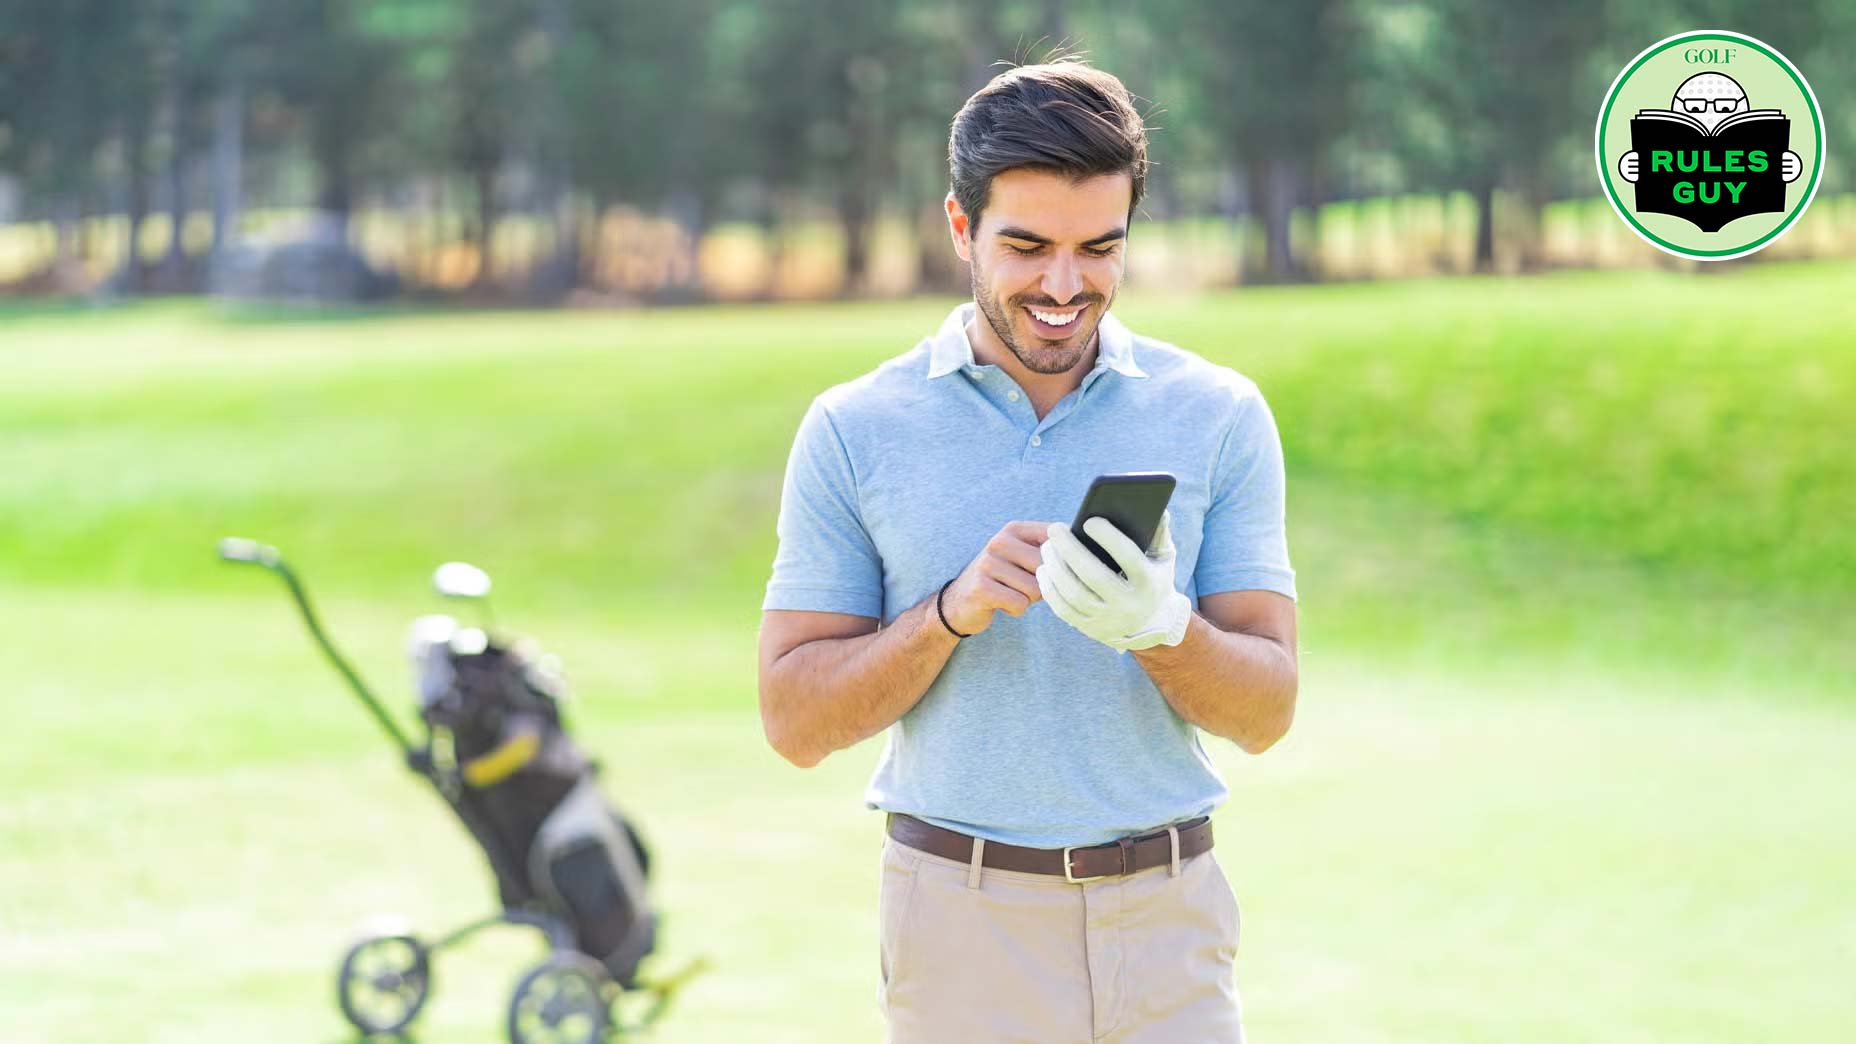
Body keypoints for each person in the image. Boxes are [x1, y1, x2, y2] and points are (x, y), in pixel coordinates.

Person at [757, 58, 1298, 1043]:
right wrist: (947, 615)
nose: (1064, 284)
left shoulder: (1216, 414)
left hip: (1168, 919)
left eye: (1099, 247)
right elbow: (793, 722)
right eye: (1026, 246)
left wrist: (1159, 626)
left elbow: (1266, 712)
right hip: (961, 925)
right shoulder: (854, 428)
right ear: (960, 228)